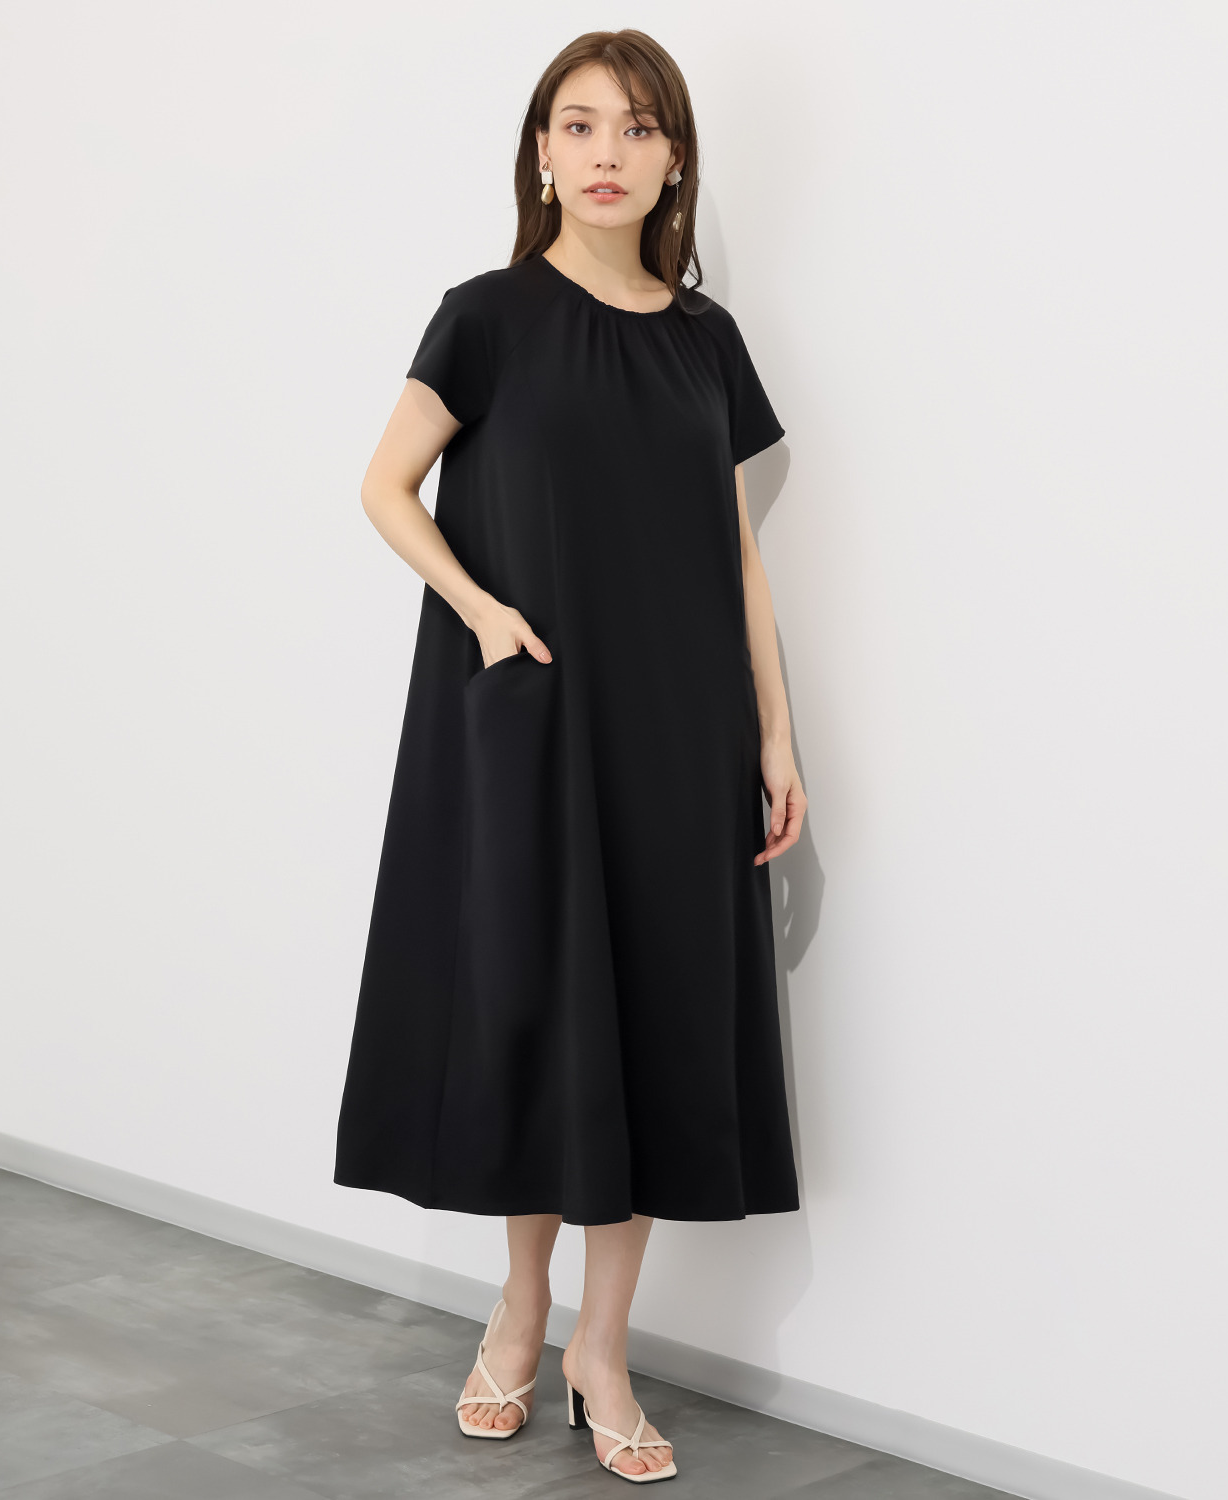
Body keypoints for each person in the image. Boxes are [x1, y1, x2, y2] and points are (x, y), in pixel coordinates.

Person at [333, 28, 805, 1484]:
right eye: (581, 124)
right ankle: (520, 1307)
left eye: (639, 128)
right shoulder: (485, 317)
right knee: (541, 1010)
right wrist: (482, 611)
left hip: (681, 731)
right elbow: (386, 487)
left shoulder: (706, 338)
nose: (608, 152)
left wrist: (777, 732)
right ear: (541, 152)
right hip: (537, 722)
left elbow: (734, 550)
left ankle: (603, 1347)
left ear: (674, 160)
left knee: (653, 1016)